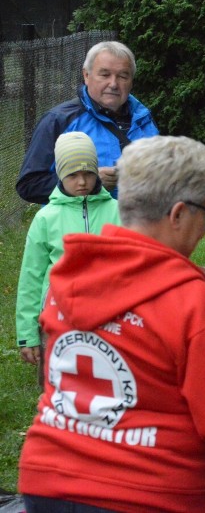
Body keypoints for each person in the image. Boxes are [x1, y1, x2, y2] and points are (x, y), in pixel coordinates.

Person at [17, 136, 205, 512]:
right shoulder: (198, 306)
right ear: (178, 214)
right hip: (151, 494)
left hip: (47, 482)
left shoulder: (70, 275)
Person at [15, 132, 120, 371]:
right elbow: (31, 277)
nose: (82, 182)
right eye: (72, 175)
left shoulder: (118, 211)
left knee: (106, 374)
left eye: (88, 174)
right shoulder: (45, 218)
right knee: (58, 379)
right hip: (56, 315)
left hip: (110, 314)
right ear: (60, 175)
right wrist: (27, 335)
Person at [16, 41, 158, 204]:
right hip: (82, 228)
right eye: (105, 75)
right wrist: (90, 183)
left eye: (122, 76)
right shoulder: (58, 120)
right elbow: (29, 185)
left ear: (131, 81)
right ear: (86, 76)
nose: (113, 84)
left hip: (138, 227)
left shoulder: (144, 120)